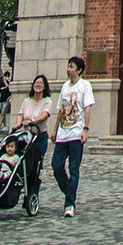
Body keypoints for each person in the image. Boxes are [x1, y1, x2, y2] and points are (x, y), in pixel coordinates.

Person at [50, 55, 94, 217]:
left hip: (76, 133)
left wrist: (85, 129)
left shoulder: (85, 85)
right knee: (56, 167)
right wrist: (54, 130)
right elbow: (60, 109)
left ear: (79, 70)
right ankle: (69, 190)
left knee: (73, 168)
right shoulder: (64, 87)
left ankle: (69, 203)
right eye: (68, 66)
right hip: (63, 133)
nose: (68, 69)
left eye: (71, 67)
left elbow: (87, 108)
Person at [15, 75, 54, 198]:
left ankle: (33, 193)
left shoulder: (47, 101)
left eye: (41, 84)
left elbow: (44, 116)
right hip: (27, 137)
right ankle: (24, 188)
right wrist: (17, 124)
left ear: (45, 87)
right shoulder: (27, 101)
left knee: (36, 164)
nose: (38, 86)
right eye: (36, 83)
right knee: (24, 162)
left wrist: (32, 121)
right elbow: (20, 114)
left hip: (39, 136)